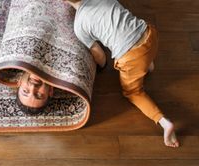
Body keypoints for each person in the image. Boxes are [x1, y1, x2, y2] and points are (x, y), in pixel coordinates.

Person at [62, 0, 179, 147]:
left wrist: (102, 67)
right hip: (150, 34)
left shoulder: (79, 25)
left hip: (132, 58)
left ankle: (164, 123)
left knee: (133, 92)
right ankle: (148, 64)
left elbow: (99, 55)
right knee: (137, 37)